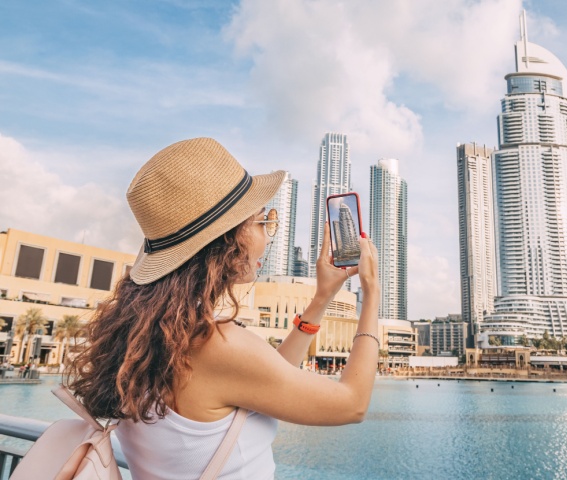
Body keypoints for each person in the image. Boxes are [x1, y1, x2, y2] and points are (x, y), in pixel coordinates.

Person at [66, 138, 380, 479]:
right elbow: (352, 403)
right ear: (230, 239)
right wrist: (371, 291)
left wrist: (322, 299)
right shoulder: (212, 344)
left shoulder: (148, 335)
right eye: (263, 221)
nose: (267, 236)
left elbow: (269, 376)